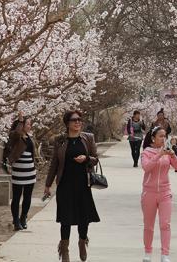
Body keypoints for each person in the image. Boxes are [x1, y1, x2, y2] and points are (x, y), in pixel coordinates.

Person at [44, 110, 100, 262]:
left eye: (79, 119)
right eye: (74, 120)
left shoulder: (88, 138)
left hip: (83, 184)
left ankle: (82, 242)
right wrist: (48, 185)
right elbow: (54, 163)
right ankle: (64, 250)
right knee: (65, 219)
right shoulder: (60, 141)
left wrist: (86, 158)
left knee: (84, 217)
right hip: (65, 185)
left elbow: (96, 159)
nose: (78, 122)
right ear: (67, 123)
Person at [141, 126, 177, 262]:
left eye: (165, 136)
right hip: (149, 193)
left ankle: (165, 254)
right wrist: (159, 154)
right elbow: (146, 167)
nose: (163, 139)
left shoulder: (168, 152)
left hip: (165, 192)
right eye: (160, 136)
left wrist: (172, 155)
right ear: (153, 138)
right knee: (149, 225)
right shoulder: (146, 152)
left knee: (165, 224)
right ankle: (148, 252)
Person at [7, 112, 39, 231]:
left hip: (30, 172)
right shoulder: (16, 137)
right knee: (16, 197)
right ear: (22, 125)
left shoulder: (29, 137)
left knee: (27, 197)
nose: (30, 126)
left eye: (30, 124)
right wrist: (20, 121)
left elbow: (32, 154)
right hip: (18, 171)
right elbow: (16, 133)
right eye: (28, 124)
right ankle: (15, 220)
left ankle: (23, 218)